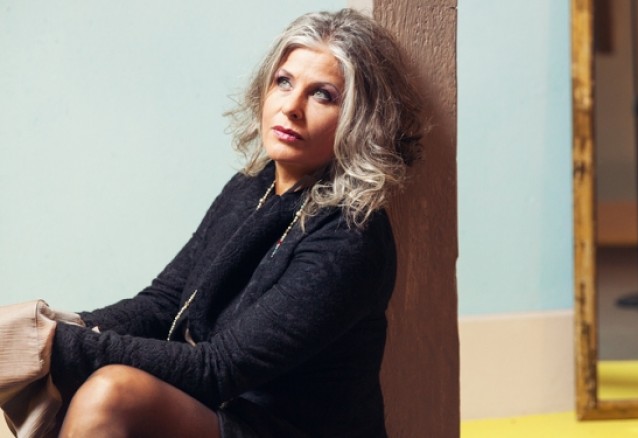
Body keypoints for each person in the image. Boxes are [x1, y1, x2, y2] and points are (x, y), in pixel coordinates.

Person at [49, 8, 423, 438]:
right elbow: (164, 304)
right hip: (226, 410)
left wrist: (55, 347)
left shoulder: (351, 235)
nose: (291, 107)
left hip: (283, 428)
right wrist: (52, 328)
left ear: (361, 118)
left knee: (111, 393)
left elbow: (219, 368)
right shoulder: (252, 186)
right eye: (284, 82)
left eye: (323, 95)